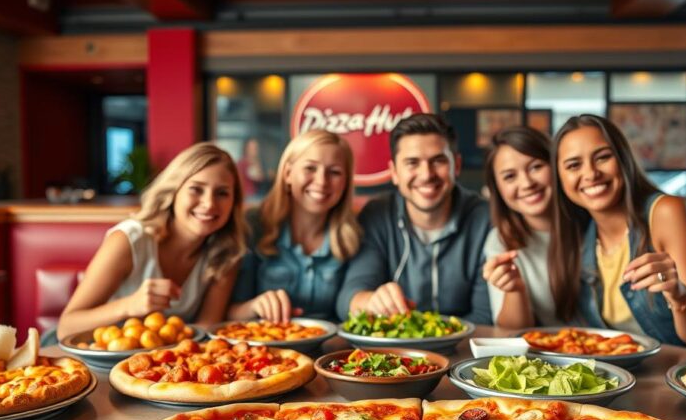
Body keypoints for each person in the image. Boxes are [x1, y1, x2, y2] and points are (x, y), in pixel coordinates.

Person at [549, 114, 686, 349]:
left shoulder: (667, 212)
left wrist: (678, 295)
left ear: (623, 159)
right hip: (639, 377)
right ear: (560, 178)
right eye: (573, 165)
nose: (590, 173)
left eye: (602, 157)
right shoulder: (579, 238)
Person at [57, 142, 246, 339]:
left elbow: (207, 326)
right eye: (196, 189)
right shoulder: (128, 240)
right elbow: (67, 327)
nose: (209, 204)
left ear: (234, 202)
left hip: (159, 363)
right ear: (174, 191)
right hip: (83, 355)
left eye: (222, 193)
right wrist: (129, 305)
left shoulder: (227, 252)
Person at [336, 113, 492, 324]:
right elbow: (348, 299)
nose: (426, 174)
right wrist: (371, 301)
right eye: (412, 163)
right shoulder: (377, 214)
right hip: (397, 353)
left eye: (438, 161)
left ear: (456, 165)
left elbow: (484, 317)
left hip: (465, 351)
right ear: (394, 172)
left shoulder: (485, 217)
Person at [229, 129, 361, 322]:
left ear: (346, 182)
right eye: (310, 168)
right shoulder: (253, 225)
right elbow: (226, 313)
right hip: (263, 347)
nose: (322, 181)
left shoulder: (354, 235)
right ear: (288, 173)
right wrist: (255, 306)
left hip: (331, 349)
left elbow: (352, 316)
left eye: (334, 172)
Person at [481, 126, 562, 329]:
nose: (526, 183)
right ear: (497, 189)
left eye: (536, 167)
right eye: (510, 176)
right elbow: (512, 331)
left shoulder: (593, 224)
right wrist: (515, 289)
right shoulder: (500, 241)